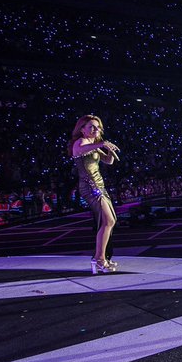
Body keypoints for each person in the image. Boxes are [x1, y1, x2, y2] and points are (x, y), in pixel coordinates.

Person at [69, 115, 120, 274]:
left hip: (99, 186)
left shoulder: (93, 144)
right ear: (82, 129)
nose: (96, 129)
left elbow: (108, 161)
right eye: (91, 126)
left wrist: (109, 151)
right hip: (90, 187)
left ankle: (100, 258)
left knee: (110, 221)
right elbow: (78, 151)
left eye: (97, 127)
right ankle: (99, 259)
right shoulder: (80, 143)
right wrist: (101, 143)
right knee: (108, 220)